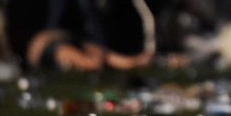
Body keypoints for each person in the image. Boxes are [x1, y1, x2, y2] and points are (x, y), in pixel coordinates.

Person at [25, 29, 153, 72]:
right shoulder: (63, 50)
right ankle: (138, 61)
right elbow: (94, 64)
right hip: (49, 47)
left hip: (56, 39)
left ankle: (139, 60)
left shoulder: (75, 45)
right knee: (96, 60)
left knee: (104, 56)